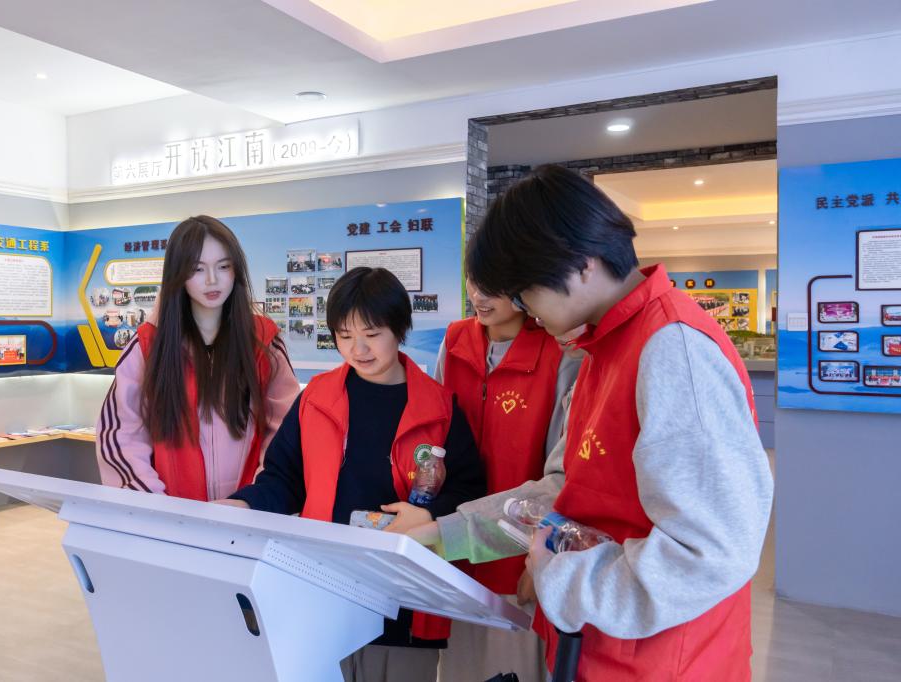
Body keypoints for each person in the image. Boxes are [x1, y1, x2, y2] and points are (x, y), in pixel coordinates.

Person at [447, 164, 774, 680]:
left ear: (581, 264)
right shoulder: (604, 347)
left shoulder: (672, 349)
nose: (526, 310)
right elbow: (567, 488)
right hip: (601, 650)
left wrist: (563, 578)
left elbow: (711, 552)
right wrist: (443, 534)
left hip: (660, 663)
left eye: (526, 292)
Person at [222, 267, 486, 682]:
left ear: (400, 329)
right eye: (344, 336)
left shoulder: (440, 408)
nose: (358, 349)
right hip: (324, 594)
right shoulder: (316, 399)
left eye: (372, 333)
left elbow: (470, 490)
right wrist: (244, 504)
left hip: (402, 606)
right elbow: (284, 479)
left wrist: (431, 516)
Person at [430, 278, 580, 682]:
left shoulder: (558, 351)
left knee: (513, 668)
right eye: (474, 282)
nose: (479, 296)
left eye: (493, 286)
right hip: (454, 550)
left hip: (519, 555)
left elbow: (563, 476)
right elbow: (438, 429)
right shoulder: (455, 340)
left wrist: (543, 561)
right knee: (459, 668)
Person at [95, 215, 300, 502]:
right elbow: (122, 435)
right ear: (178, 274)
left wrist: (255, 498)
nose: (212, 280)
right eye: (197, 269)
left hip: (247, 513)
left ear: (236, 270)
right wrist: (156, 505)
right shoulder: (148, 346)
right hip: (171, 516)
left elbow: (286, 431)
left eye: (223, 266)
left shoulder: (263, 341)